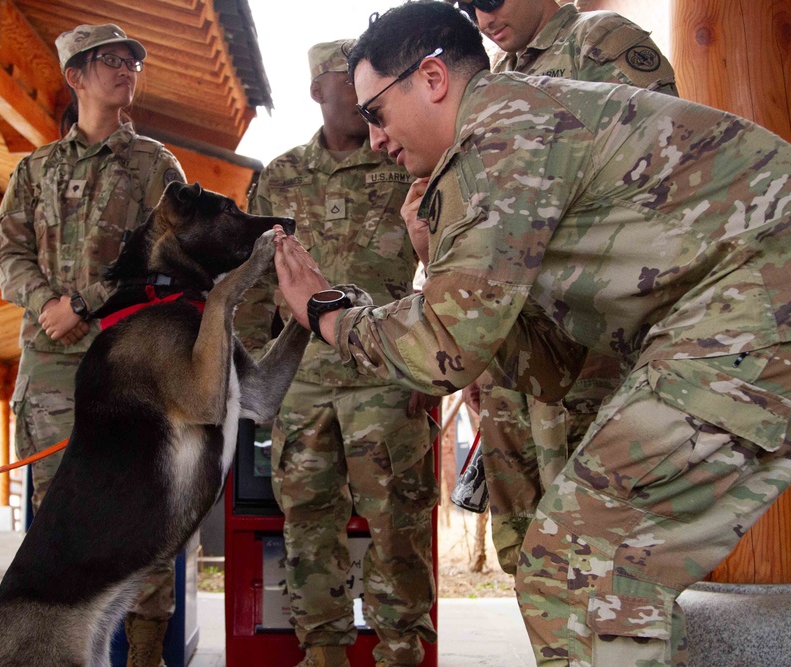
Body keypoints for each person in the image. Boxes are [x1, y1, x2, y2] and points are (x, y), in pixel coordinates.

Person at [271, 2, 791, 665]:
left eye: (377, 111)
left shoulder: (499, 131)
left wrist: (326, 312)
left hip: (756, 301)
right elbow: (554, 366)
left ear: (432, 79)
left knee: (578, 559)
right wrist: (437, 251)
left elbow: (444, 350)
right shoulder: (498, 133)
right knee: (591, 564)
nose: (375, 137)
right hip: (738, 310)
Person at [454, 0, 679, 575]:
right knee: (526, 545)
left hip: (590, 343)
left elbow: (661, 173)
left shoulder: (600, 42)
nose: (480, 15)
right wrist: (480, 352)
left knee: (601, 545)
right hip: (517, 345)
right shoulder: (494, 80)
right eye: (464, 4)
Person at [236, 40, 437, 667]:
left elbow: (445, 253)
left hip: (385, 372)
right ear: (316, 91)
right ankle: (322, 651)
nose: (356, 95)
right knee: (307, 527)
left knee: (396, 527)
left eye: (362, 83)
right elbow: (251, 279)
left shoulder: (406, 160)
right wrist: (245, 371)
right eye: (341, 82)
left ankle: (401, 650)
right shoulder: (281, 173)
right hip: (303, 381)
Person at [0, 24, 185, 667]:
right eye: (111, 61)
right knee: (59, 515)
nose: (127, 69)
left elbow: (170, 257)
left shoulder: (156, 165)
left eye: (134, 59)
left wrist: (83, 304)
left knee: (140, 505)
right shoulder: (34, 171)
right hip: (50, 368)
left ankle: (145, 651)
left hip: (129, 361)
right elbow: (10, 255)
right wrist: (48, 304)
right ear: (76, 77)